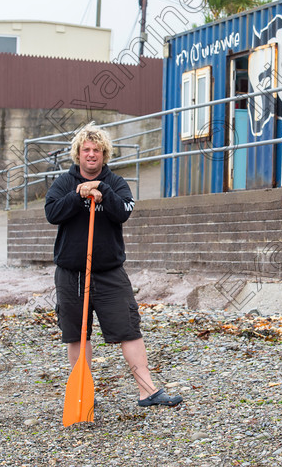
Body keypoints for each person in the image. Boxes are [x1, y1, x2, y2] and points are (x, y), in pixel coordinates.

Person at [45, 123, 182, 408]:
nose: (91, 155)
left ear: (104, 154)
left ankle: (148, 391)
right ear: (78, 154)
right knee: (76, 334)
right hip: (72, 275)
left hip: (109, 273)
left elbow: (122, 213)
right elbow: (52, 213)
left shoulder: (117, 184)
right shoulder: (63, 183)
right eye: (86, 150)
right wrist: (79, 195)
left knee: (128, 329)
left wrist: (102, 192)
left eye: (97, 150)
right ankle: (83, 394)